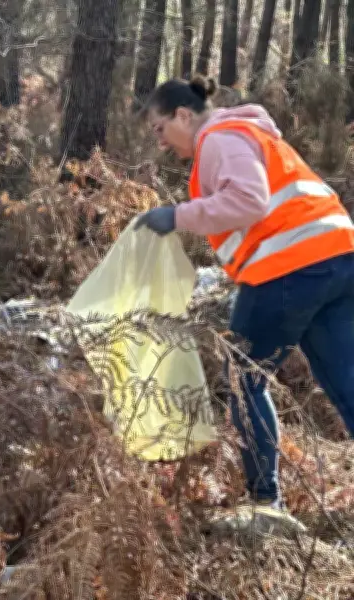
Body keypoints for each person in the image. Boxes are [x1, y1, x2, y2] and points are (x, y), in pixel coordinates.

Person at [136, 75, 354, 533]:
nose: (160, 142)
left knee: (242, 380)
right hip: (335, 260)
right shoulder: (248, 132)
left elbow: (247, 201)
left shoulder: (219, 139)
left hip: (288, 268)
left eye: (160, 129)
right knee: (344, 380)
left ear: (183, 114)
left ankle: (265, 503)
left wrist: (176, 216)